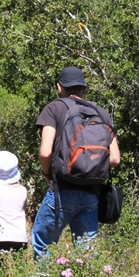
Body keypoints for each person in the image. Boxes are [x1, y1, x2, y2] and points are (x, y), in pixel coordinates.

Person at [31, 66, 121, 260]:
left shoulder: (54, 108)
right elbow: (115, 158)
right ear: (84, 89)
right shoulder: (101, 112)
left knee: (43, 244)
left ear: (59, 86)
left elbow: (45, 152)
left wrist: (47, 175)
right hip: (92, 194)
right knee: (86, 253)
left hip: (62, 192)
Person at [0, 151, 28, 274]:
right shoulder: (23, 190)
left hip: (1, 236)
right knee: (20, 268)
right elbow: (23, 208)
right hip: (20, 236)